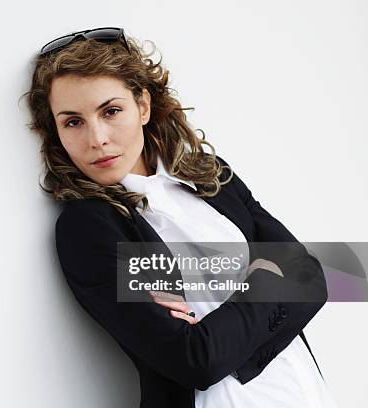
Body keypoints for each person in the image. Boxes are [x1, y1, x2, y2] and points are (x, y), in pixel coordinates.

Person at [22, 27, 338, 407]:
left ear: (143, 106)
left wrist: (227, 326)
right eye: (73, 121)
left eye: (111, 111)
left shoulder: (210, 176)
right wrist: (267, 277)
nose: (97, 138)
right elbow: (196, 360)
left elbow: (314, 277)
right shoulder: (90, 229)